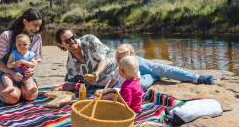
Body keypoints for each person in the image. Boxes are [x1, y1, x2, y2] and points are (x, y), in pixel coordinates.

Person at [55, 28, 213, 91]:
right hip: (118, 79)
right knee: (142, 85)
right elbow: (72, 81)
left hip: (124, 61)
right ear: (61, 45)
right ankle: (153, 77)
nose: (73, 41)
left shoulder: (88, 40)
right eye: (68, 41)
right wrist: (62, 86)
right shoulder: (71, 65)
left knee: (159, 68)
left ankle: (198, 78)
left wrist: (96, 74)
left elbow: (104, 59)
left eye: (73, 37)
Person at [0, 8, 43, 104]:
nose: (37, 29)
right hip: (5, 75)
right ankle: (3, 91)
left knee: (31, 96)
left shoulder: (37, 37)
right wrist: (12, 73)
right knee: (13, 98)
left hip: (25, 76)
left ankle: (21, 91)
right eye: (35, 25)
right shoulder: (6, 36)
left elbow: (36, 59)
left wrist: (33, 69)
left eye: (39, 26)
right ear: (25, 21)